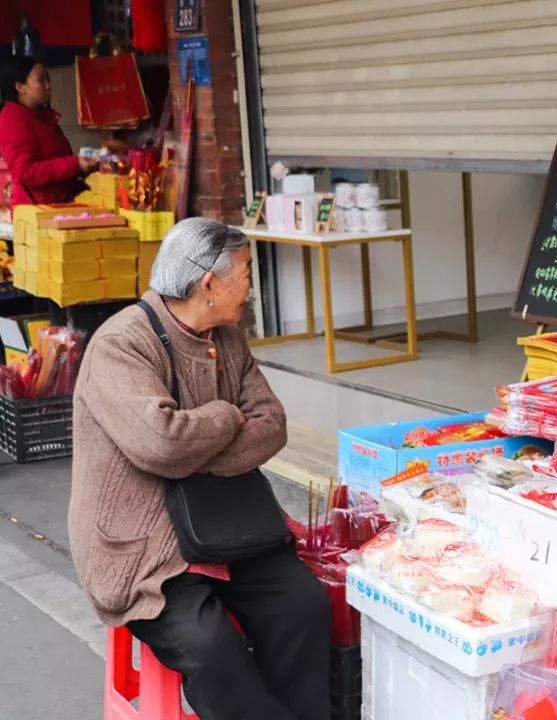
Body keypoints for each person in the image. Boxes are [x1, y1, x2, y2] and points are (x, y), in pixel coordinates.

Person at [69, 218, 330, 720]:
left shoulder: (226, 338)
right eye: (247, 273)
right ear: (209, 283)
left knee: (303, 606)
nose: (251, 287)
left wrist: (193, 450)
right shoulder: (121, 345)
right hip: (145, 549)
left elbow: (272, 426)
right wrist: (226, 417)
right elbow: (161, 445)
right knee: (209, 645)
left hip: (230, 528)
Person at [0, 56, 98, 206]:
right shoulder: (13, 119)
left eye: (48, 79)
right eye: (41, 80)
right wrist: (75, 164)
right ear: (20, 87)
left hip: (57, 203)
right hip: (38, 211)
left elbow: (56, 159)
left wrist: (86, 162)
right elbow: (25, 172)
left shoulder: (42, 115)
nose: (48, 85)